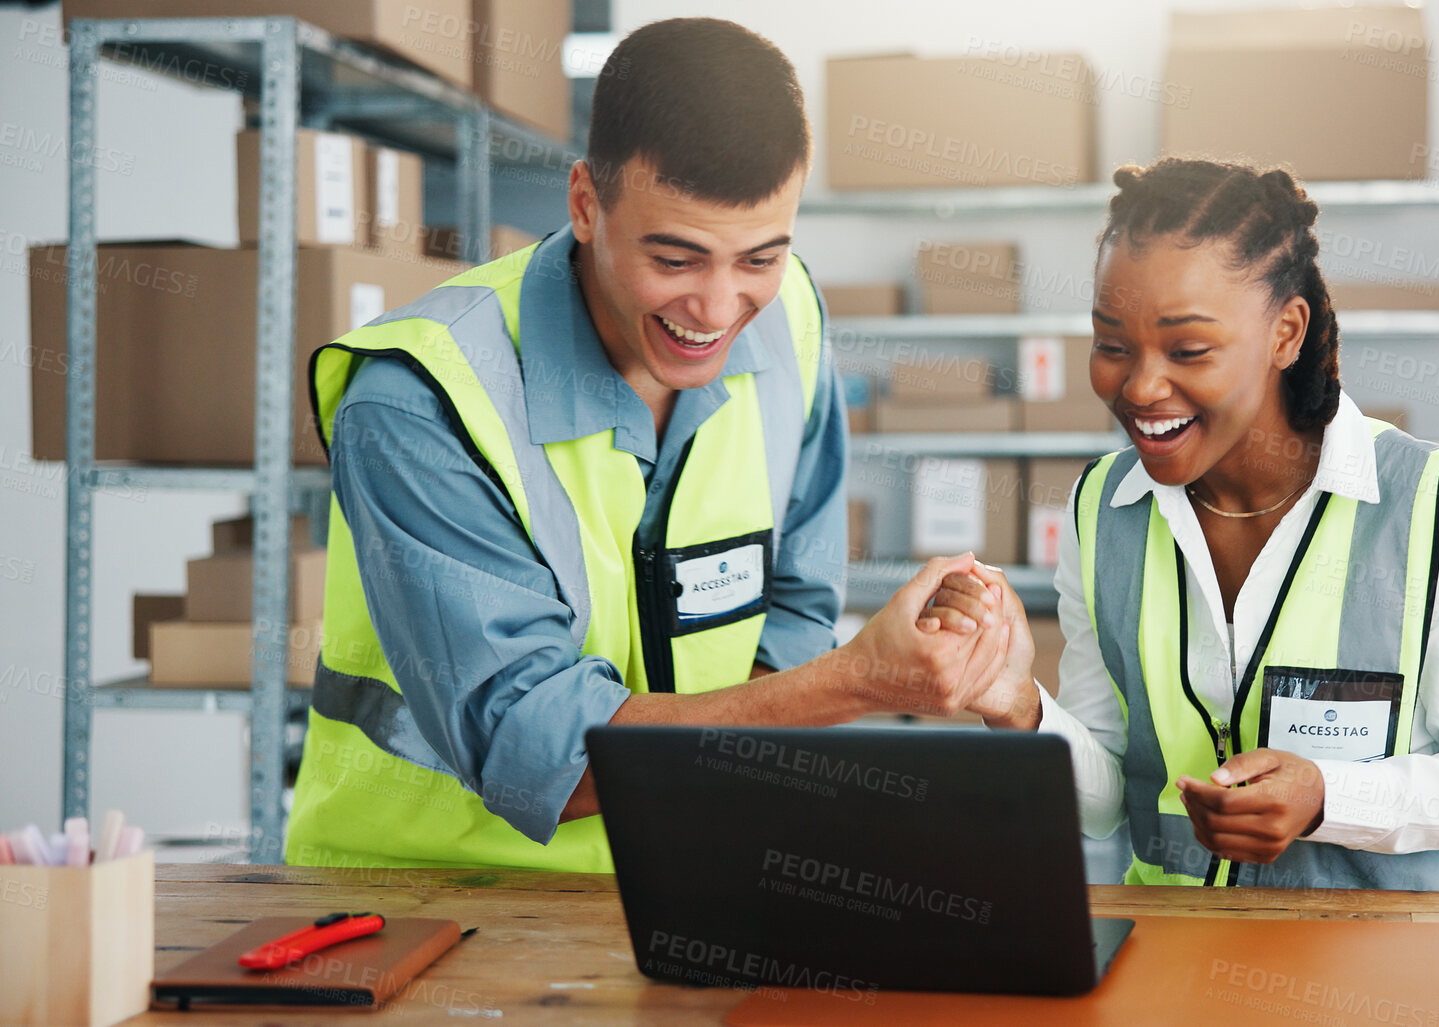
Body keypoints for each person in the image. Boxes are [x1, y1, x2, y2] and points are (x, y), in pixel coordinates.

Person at [285, 18, 1011, 872]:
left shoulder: (790, 321)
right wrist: (856, 681)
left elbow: (795, 609)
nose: (718, 308)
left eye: (759, 258)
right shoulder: (421, 401)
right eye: (676, 259)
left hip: (692, 875)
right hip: (438, 899)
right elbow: (538, 752)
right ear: (585, 205)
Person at [938, 158, 1439, 891]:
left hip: (1433, 945)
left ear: (1285, 333)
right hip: (1200, 940)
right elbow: (1109, 798)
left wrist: (1326, 797)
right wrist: (1016, 703)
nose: (1140, 386)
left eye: (1188, 350)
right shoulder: (1103, 509)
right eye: (1111, 345)